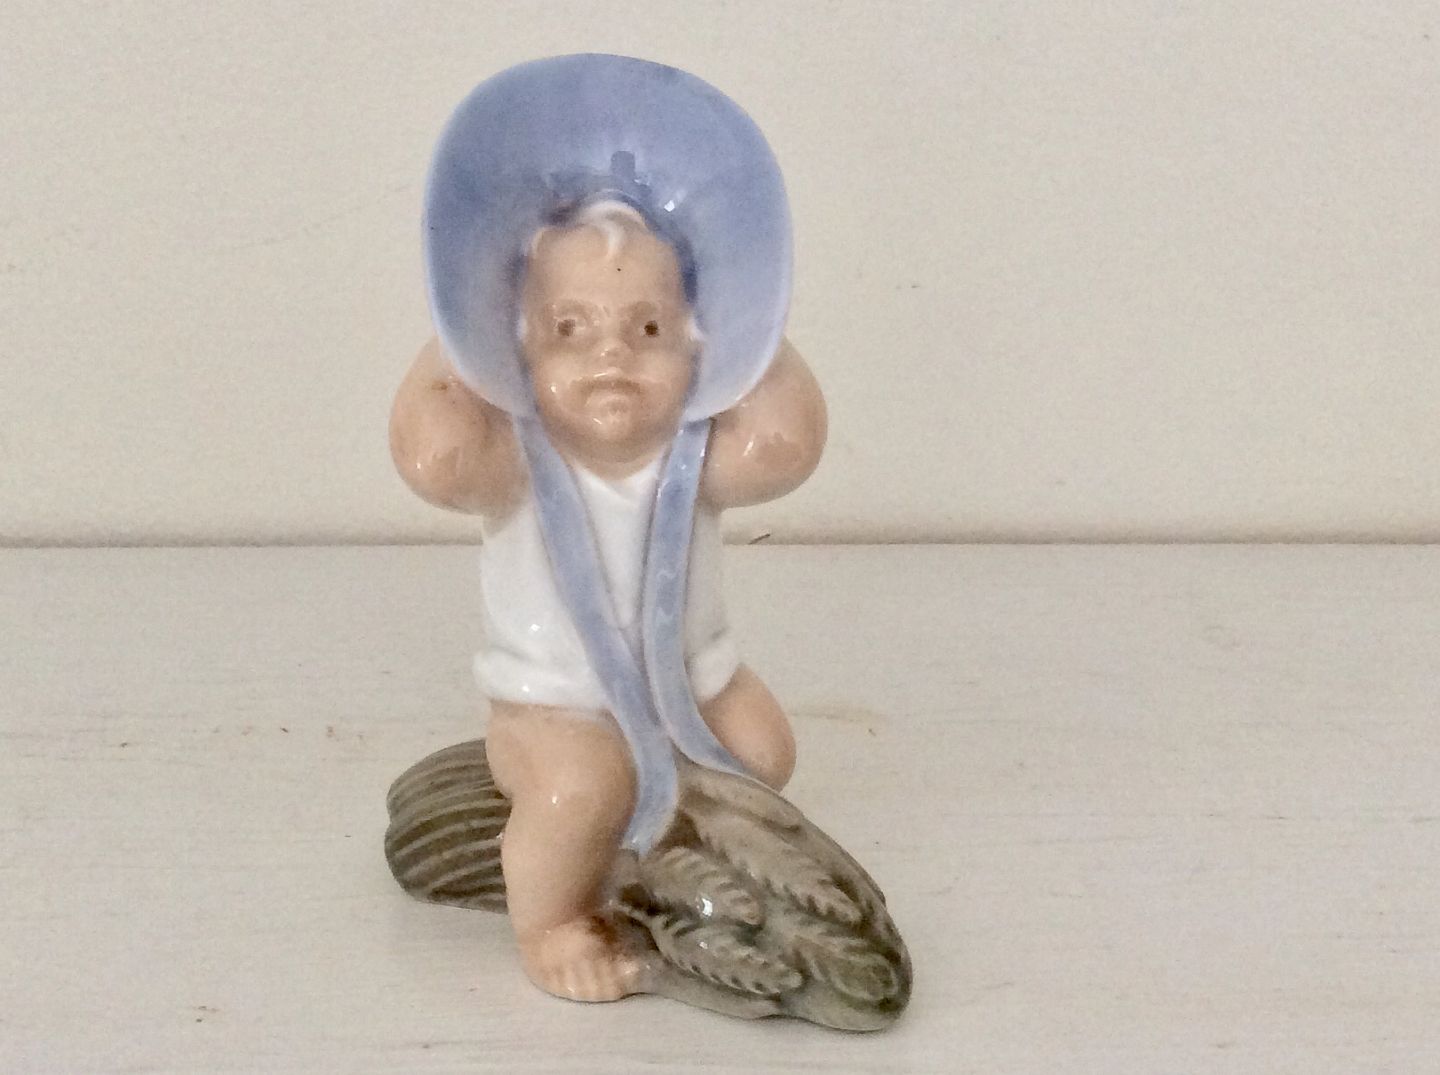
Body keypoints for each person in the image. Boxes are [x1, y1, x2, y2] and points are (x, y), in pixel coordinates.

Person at [390, 199, 826, 1001]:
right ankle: (553, 922)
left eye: (649, 328)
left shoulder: (693, 456)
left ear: (698, 345)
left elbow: (784, 447)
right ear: (517, 347)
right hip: (553, 707)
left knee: (763, 752)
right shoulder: (516, 461)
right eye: (570, 328)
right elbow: (434, 459)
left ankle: (657, 858)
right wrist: (459, 334)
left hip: (694, 687)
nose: (612, 353)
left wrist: (754, 325)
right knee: (579, 790)